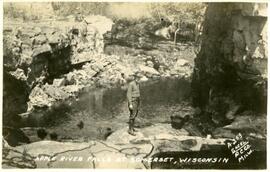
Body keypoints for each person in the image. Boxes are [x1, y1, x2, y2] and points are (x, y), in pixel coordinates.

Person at [127, 71, 141, 136]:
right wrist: (130, 104)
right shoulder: (131, 84)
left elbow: (137, 92)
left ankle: (132, 128)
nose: (138, 79)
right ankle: (130, 130)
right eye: (137, 77)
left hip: (137, 100)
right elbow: (128, 94)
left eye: (139, 78)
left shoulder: (138, 83)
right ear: (135, 77)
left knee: (135, 114)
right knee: (132, 115)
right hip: (133, 101)